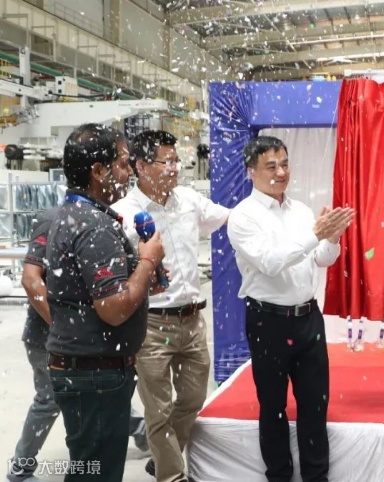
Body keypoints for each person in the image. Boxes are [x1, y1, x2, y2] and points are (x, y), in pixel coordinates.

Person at [227, 136, 354, 482]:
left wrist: (332, 237)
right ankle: (280, 476)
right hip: (268, 321)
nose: (281, 172)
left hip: (308, 319)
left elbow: (321, 259)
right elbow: (270, 263)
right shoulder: (243, 217)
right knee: (273, 407)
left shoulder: (301, 211)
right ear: (251, 171)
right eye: (271, 166)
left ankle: (317, 476)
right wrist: (316, 234)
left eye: (284, 164)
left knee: (315, 404)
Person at [45, 123, 165, 482]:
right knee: (97, 473)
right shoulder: (95, 227)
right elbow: (112, 309)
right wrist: (148, 260)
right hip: (95, 374)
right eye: (123, 164)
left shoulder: (71, 215)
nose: (129, 173)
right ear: (98, 171)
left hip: (86, 369)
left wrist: (141, 274)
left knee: (89, 467)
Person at [112, 130, 229, 482]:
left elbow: (229, 217)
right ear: (141, 166)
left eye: (178, 160)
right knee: (158, 410)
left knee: (193, 398)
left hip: (192, 321)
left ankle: (164, 456)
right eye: (167, 161)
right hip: (150, 325)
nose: (176, 168)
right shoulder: (124, 214)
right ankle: (172, 475)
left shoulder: (190, 201)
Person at [7, 216, 149, 481]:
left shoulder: (97, 223)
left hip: (83, 343)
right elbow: (30, 279)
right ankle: (20, 467)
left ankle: (144, 435)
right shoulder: (55, 221)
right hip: (50, 340)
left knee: (97, 393)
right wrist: (61, 325)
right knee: (49, 400)